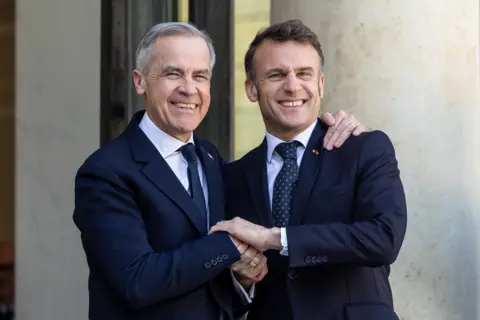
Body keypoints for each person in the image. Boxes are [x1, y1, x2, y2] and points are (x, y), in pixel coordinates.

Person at [73, 22, 367, 319]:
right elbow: (136, 282)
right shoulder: (105, 171)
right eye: (173, 73)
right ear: (140, 82)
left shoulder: (212, 160)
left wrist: (241, 279)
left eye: (200, 76)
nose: (189, 89)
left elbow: (216, 283)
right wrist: (229, 244)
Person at [211, 19, 407, 320]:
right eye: (276, 75)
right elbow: (226, 286)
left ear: (320, 84)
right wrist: (242, 279)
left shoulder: (364, 148)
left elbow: (383, 239)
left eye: (304, 73)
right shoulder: (232, 176)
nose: (292, 85)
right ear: (252, 89)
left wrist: (275, 238)